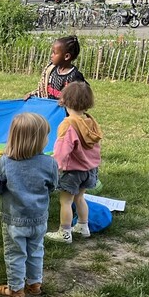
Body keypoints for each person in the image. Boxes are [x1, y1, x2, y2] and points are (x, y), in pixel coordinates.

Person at [0, 113, 58, 297]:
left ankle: (15, 288)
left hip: (14, 220)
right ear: (39, 140)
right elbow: (53, 186)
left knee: (15, 253)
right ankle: (34, 283)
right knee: (36, 250)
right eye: (46, 136)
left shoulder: (4, 162)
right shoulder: (50, 163)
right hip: (39, 218)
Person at [46, 82, 102, 244]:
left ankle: (65, 233)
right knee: (80, 198)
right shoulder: (91, 122)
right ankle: (83, 227)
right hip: (90, 169)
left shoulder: (67, 124)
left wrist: (57, 167)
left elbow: (63, 149)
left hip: (72, 172)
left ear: (65, 100)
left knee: (66, 201)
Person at [25, 35, 86, 100]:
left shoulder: (75, 77)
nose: (51, 55)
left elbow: (80, 99)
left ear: (66, 56)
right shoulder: (51, 70)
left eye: (54, 53)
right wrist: (33, 94)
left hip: (64, 109)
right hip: (49, 108)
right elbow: (43, 90)